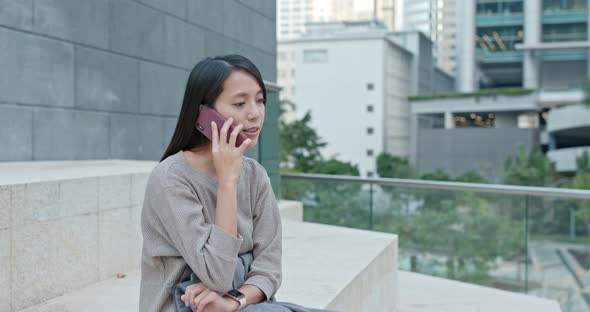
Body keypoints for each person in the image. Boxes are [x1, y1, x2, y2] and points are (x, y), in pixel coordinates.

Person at [139, 55, 332, 312]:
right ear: (205, 115)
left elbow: (270, 270)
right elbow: (216, 274)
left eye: (260, 100)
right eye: (240, 103)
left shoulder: (255, 175)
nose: (254, 114)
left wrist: (233, 301)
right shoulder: (171, 180)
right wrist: (227, 181)